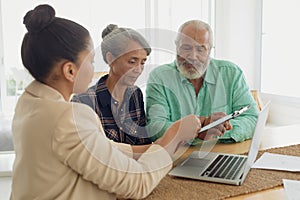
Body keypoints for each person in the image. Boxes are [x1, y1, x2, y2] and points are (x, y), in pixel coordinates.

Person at [11, 5, 202, 200]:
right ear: (70, 71)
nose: (94, 68)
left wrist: (161, 144)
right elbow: (136, 184)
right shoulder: (69, 117)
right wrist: (171, 140)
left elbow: (104, 148)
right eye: (91, 61)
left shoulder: (30, 103)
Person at [146, 19, 258, 143]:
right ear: (176, 47)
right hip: (177, 157)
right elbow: (155, 127)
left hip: (223, 152)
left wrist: (216, 130)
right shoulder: (159, 78)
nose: (193, 56)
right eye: (186, 48)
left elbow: (251, 118)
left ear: (209, 50)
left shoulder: (231, 73)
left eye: (200, 49)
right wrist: (200, 127)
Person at [72, 24, 151, 145]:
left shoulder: (135, 94)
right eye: (132, 61)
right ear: (110, 59)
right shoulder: (83, 101)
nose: (138, 69)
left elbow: (143, 143)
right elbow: (89, 153)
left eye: (142, 62)